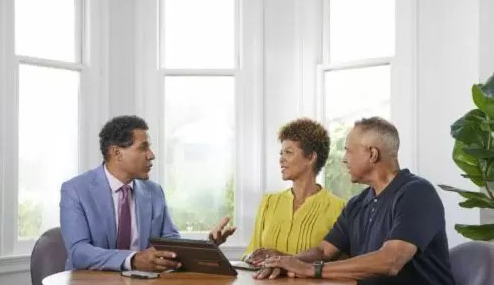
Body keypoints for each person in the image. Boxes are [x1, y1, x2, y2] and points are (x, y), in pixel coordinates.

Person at [259, 117, 455, 284]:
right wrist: (284, 262)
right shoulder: (357, 204)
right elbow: (323, 251)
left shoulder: (417, 193)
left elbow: (391, 260)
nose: (344, 159)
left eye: (348, 151)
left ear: (372, 154)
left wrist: (312, 270)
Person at [60, 115, 235, 272]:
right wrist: (133, 260)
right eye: (143, 148)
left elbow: (169, 241)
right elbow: (79, 251)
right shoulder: (75, 190)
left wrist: (206, 247)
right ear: (117, 153)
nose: (151, 155)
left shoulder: (154, 192)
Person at [242, 118, 345, 266]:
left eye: (288, 152)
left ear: (310, 157)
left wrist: (282, 260)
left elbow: (339, 264)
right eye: (281, 153)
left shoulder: (339, 208)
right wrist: (250, 258)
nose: (281, 160)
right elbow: (251, 252)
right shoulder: (269, 202)